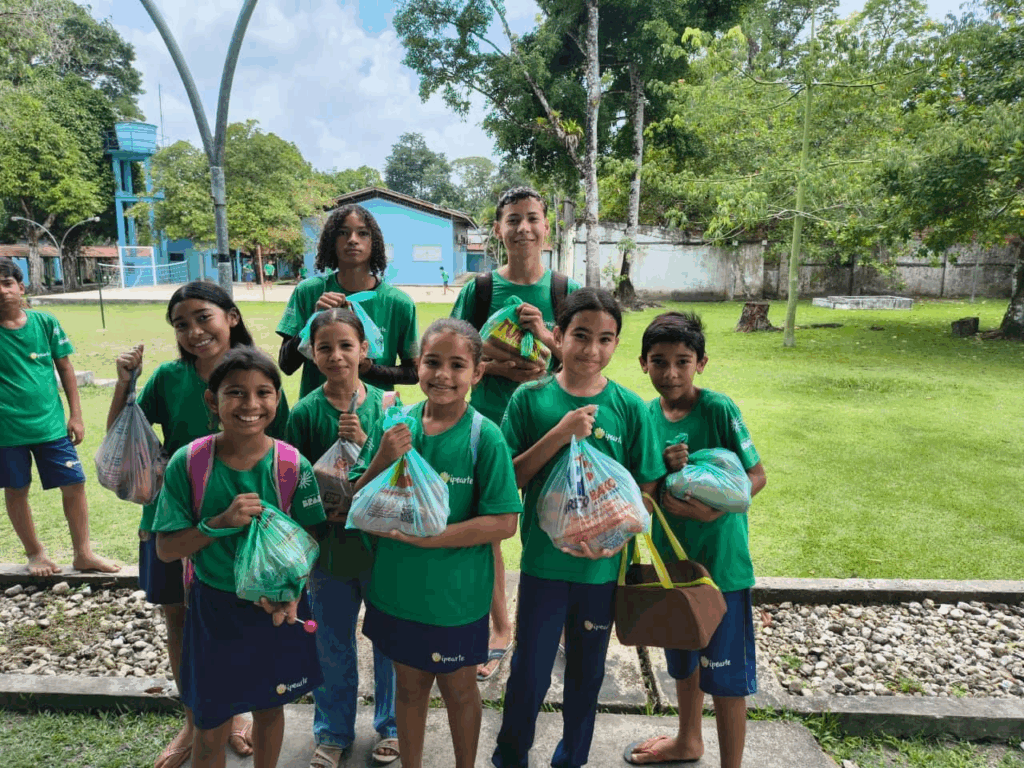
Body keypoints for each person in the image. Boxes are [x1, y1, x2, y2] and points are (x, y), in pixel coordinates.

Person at [108, 281, 290, 768]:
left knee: (243, 618)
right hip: (173, 520)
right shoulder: (169, 377)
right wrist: (125, 383)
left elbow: (284, 456)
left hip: (245, 529)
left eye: (202, 317)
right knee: (180, 620)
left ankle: (240, 712)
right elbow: (123, 439)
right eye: (181, 324)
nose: (193, 331)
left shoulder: (259, 376)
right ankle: (195, 719)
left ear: (231, 317)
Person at [492, 288, 663, 768]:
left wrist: (617, 538)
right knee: (530, 671)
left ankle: (572, 758)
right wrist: (560, 433)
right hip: (544, 566)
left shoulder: (629, 407)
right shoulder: (531, 399)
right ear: (558, 336)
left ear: (616, 344)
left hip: (601, 571)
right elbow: (510, 478)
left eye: (605, 339)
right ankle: (511, 757)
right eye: (581, 335)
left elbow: (645, 489)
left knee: (587, 675)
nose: (592, 349)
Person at [350, 318, 523, 768]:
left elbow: (504, 522)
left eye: (457, 365)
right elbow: (357, 501)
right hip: (397, 591)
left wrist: (434, 539)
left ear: (477, 373)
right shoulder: (395, 425)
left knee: (459, 691)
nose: (443, 375)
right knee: (409, 690)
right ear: (418, 366)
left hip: (456, 600)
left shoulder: (484, 437)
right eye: (432, 362)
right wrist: (383, 456)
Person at [151, 347, 325, 768]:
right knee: (210, 726)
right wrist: (219, 523)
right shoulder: (190, 464)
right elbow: (167, 548)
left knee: (270, 709)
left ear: (277, 400)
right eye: (235, 392)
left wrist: (292, 594)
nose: (250, 404)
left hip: (276, 609)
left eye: (263, 392)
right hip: (214, 609)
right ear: (212, 401)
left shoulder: (291, 465)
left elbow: (310, 541)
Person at [624, 311, 767, 768]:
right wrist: (662, 468)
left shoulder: (719, 409)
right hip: (674, 569)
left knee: (725, 677)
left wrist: (712, 510)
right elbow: (643, 492)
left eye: (682, 361)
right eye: (659, 361)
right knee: (684, 659)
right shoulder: (644, 416)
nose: (671, 373)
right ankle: (688, 740)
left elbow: (756, 477)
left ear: (700, 363)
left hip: (722, 568)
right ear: (643, 363)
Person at [450, 186, 580, 680]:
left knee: (558, 522)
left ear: (547, 227)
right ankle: (500, 628)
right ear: (498, 230)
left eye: (532, 218)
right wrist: (502, 368)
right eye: (513, 220)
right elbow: (452, 355)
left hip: (551, 425)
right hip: (489, 427)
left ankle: (554, 623)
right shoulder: (481, 290)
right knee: (490, 529)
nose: (523, 228)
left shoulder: (563, 290)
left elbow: (584, 359)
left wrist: (545, 335)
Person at [284, 308, 399, 768]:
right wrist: (320, 510)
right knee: (331, 643)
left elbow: (401, 474)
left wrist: (367, 440)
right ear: (311, 353)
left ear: (364, 350)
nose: (336, 356)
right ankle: (333, 731)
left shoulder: (388, 406)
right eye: (325, 348)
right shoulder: (305, 413)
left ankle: (392, 726)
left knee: (389, 640)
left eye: (346, 346)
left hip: (382, 547)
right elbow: (292, 483)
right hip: (328, 551)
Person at [0, 256, 119, 578]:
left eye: (7, 283)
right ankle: (35, 553)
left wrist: (76, 416)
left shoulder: (45, 323)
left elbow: (65, 368)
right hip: (6, 432)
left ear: (20, 287)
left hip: (51, 426)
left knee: (74, 483)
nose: (2, 291)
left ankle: (83, 554)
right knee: (16, 489)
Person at [277, 204, 419, 399]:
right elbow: (286, 365)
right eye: (343, 233)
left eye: (363, 233)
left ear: (374, 242)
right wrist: (313, 321)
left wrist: (369, 369)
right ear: (331, 241)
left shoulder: (399, 303)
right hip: (318, 413)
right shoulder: (308, 292)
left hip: (374, 414)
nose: (353, 240)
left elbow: (414, 373)